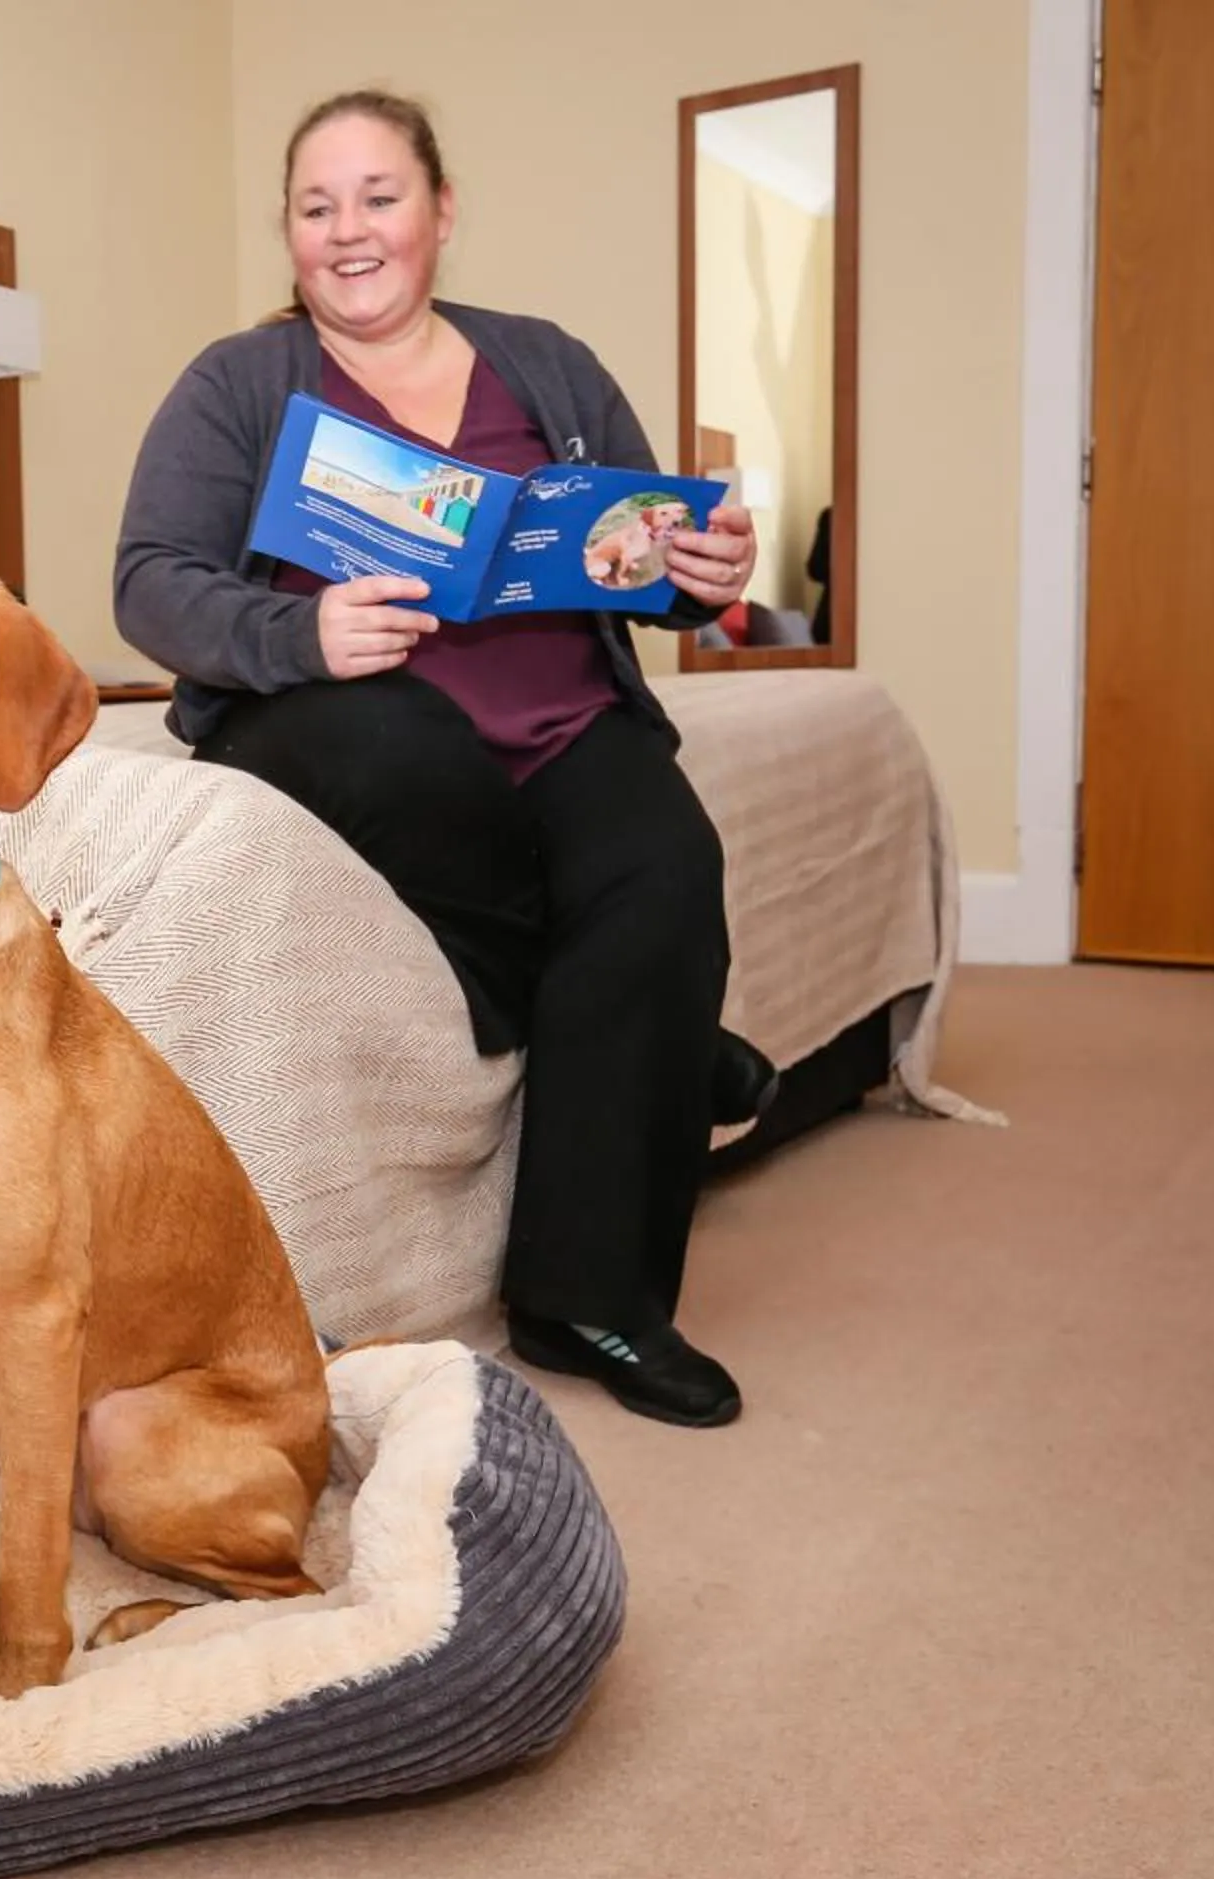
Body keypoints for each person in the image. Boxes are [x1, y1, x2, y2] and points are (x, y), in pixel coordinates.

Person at [111, 87, 774, 1428]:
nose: (348, 230)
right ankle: (661, 1042)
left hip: (565, 720)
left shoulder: (549, 364)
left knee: (664, 863)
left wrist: (702, 574)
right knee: (408, 750)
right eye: (317, 207)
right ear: (289, 233)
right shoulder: (239, 383)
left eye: (380, 197)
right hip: (344, 716)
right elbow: (149, 583)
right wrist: (300, 630)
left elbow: (644, 560)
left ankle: (592, 1301)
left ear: (441, 211)